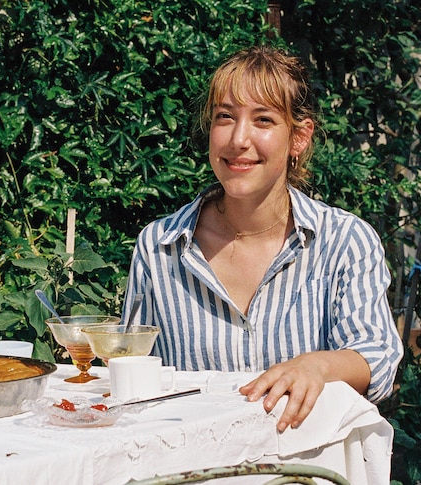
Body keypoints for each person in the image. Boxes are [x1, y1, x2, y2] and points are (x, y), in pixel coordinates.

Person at [122, 45, 403, 433]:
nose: (239, 139)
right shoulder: (159, 246)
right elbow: (131, 375)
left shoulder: (344, 241)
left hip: (301, 466)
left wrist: (316, 365)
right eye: (225, 117)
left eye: (263, 120)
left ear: (299, 137)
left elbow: (377, 358)